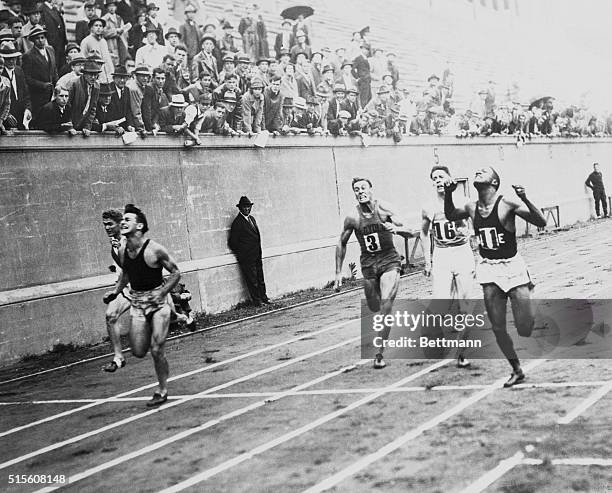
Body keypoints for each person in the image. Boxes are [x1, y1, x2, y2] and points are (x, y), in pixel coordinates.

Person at [444, 166, 547, 387]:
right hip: (489, 267)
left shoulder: (507, 203)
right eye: (477, 172)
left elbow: (541, 222)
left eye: (483, 172)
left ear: (494, 182)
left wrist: (525, 198)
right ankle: (517, 369)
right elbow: (451, 216)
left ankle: (528, 299)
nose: (477, 172)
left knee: (525, 329)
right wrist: (449, 193)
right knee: (497, 327)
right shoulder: (471, 207)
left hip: (512, 267)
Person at [102, 204, 181, 406]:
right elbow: (126, 274)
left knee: (156, 349)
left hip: (157, 301)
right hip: (137, 302)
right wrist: (115, 292)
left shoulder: (155, 249)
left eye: (127, 220)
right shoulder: (122, 251)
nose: (123, 223)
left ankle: (162, 390)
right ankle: (176, 316)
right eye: (122, 220)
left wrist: (162, 292)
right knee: (138, 351)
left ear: (140, 225)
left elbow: (175, 273)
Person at [335, 177, 416, 369]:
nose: (360, 191)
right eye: (356, 189)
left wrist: (396, 229)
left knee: (385, 304)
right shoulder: (352, 217)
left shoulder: (384, 209)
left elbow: (410, 231)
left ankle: (379, 352)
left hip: (389, 261)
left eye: (363, 188)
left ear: (371, 189)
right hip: (369, 265)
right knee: (373, 305)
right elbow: (341, 242)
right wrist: (338, 273)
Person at [421, 165, 477, 367]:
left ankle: (462, 351)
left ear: (450, 179)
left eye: (441, 176)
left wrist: (472, 235)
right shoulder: (428, 207)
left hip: (462, 252)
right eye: (434, 177)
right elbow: (424, 233)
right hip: (442, 255)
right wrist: (428, 259)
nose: (437, 180)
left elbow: (474, 222)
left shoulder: (463, 201)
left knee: (465, 302)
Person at [101, 209, 131, 372]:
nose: (106, 227)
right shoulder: (114, 242)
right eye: (104, 224)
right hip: (126, 286)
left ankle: (183, 317)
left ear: (120, 224)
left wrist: (115, 291)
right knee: (110, 315)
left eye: (110, 224)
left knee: (169, 315)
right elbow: (122, 269)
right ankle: (118, 357)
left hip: (143, 285)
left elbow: (129, 268)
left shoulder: (130, 240)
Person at [228, 196, 270, 307]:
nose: (247, 209)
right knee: (253, 281)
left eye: (248, 207)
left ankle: (264, 298)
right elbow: (233, 242)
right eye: (244, 207)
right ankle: (257, 302)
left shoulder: (252, 219)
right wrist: (242, 254)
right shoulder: (237, 223)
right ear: (240, 208)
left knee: (260, 278)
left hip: (257, 255)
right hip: (247, 258)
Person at [22, 25, 58, 117]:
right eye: (37, 38)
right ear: (33, 40)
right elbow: (27, 78)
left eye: (42, 37)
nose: (41, 40)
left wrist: (57, 85)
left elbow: (54, 70)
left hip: (52, 93)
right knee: (40, 117)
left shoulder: (51, 50)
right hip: (37, 94)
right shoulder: (29, 55)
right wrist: (42, 85)